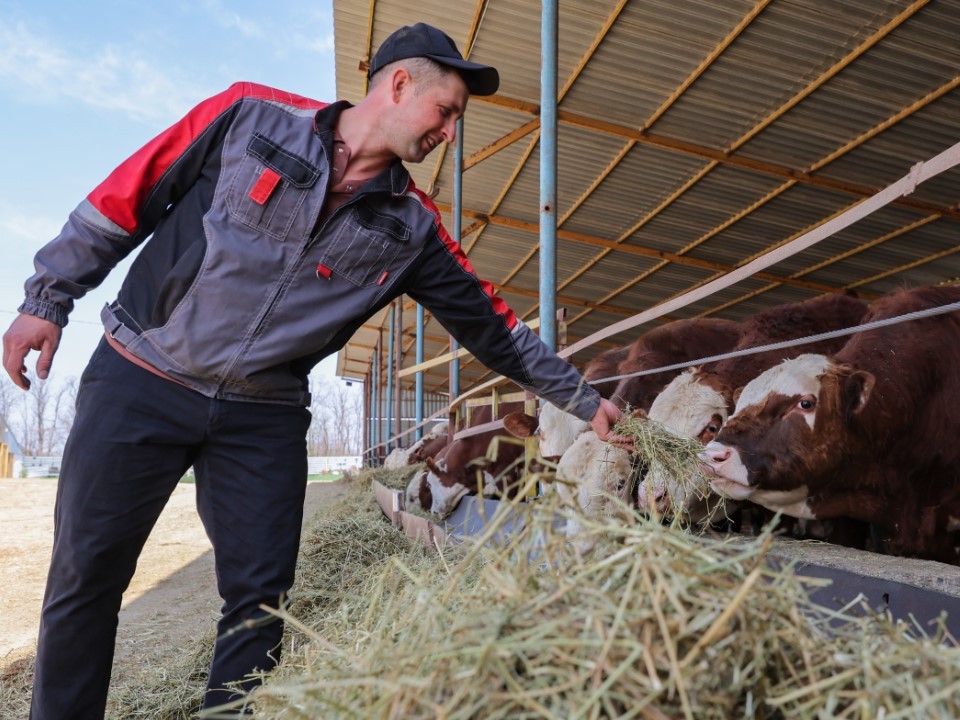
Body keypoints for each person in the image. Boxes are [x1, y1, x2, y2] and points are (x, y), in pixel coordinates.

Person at [2, 22, 622, 719]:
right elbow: (130, 194)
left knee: (262, 596)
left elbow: (497, 330)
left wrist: (583, 397)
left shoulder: (413, 227)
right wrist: (47, 298)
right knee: (87, 575)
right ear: (397, 85)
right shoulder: (249, 115)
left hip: (259, 415)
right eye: (446, 112)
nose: (449, 132)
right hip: (142, 375)